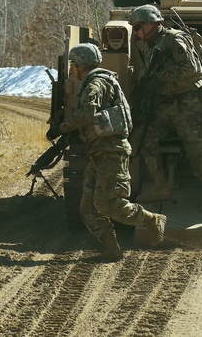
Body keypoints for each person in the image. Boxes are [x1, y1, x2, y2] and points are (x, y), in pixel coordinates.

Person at [59, 43, 167, 261]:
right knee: (88, 208)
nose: (71, 67)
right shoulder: (100, 80)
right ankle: (111, 249)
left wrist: (62, 127)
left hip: (110, 153)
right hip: (99, 154)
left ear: (80, 64)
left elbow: (88, 111)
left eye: (73, 63)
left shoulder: (95, 84)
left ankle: (152, 219)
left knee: (108, 204)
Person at [129, 4, 202, 213]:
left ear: (151, 24)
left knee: (195, 147)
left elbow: (192, 71)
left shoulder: (174, 39)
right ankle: (160, 186)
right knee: (142, 135)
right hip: (164, 103)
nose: (136, 32)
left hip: (187, 102)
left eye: (138, 27)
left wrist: (160, 79)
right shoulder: (150, 45)